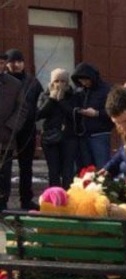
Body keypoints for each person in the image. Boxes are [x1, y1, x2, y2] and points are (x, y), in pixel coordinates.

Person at [0, 49, 42, 211]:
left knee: (26, 166)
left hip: (25, 129)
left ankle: (26, 199)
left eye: (19, 61)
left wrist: (16, 123)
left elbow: (31, 106)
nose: (16, 65)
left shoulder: (31, 82)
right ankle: (3, 200)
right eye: (12, 61)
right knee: (4, 167)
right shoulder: (6, 81)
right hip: (5, 132)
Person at [37, 68, 79, 188]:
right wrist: (51, 99)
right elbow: (39, 114)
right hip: (50, 136)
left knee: (68, 170)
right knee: (53, 170)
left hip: (69, 137)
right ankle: (55, 197)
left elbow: (74, 114)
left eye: (62, 81)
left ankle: (67, 197)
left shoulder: (73, 95)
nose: (59, 84)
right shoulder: (44, 94)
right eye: (56, 81)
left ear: (67, 83)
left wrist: (61, 101)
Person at [70, 62, 113, 170]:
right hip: (83, 134)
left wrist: (96, 113)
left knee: (102, 167)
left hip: (100, 134)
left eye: (86, 80)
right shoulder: (81, 91)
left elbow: (113, 112)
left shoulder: (106, 90)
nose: (84, 83)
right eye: (81, 81)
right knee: (86, 169)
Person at [0, 52, 28, 208]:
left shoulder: (14, 84)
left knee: (4, 174)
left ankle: (2, 205)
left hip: (5, 138)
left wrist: (11, 127)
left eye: (2, 63)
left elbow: (22, 108)